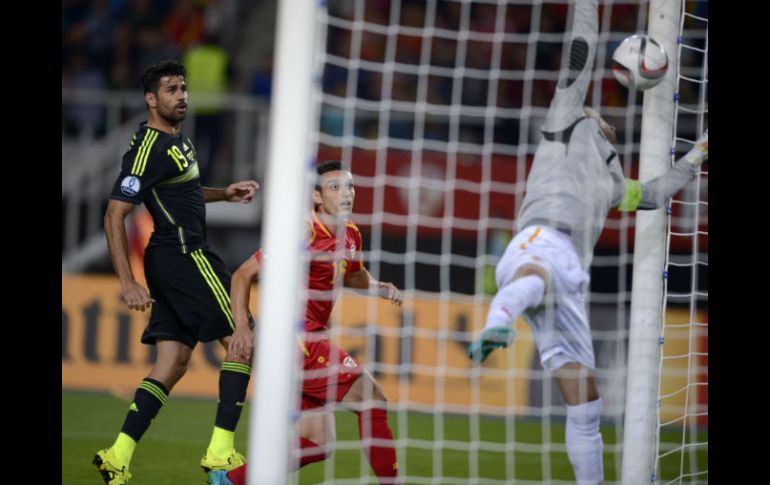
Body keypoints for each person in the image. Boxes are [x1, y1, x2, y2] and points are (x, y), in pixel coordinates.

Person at [465, 1, 708, 484]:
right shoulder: (564, 121)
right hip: (539, 241)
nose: (599, 113)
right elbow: (580, 49)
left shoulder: (615, 182)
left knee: (586, 404)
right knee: (539, 271)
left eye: (602, 114)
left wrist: (698, 152)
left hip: (569, 281)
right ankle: (499, 319)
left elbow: (656, 193)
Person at [93, 60, 259, 485]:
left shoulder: (178, 141)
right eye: (171, 89)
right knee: (242, 338)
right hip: (184, 254)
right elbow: (114, 216)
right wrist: (127, 282)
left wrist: (224, 193)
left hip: (171, 259)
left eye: (183, 87)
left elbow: (183, 191)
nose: (181, 95)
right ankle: (221, 454)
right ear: (151, 99)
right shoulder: (146, 148)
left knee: (173, 361)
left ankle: (117, 454)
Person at [208, 160, 403, 485]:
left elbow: (353, 276)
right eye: (335, 187)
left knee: (318, 443)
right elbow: (243, 274)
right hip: (296, 340)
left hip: (309, 341)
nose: (346, 193)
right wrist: (242, 327)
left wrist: (379, 288)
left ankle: (229, 481)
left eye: (350, 186)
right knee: (373, 400)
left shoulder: (351, 234)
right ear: (315, 196)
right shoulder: (304, 232)